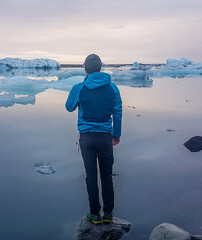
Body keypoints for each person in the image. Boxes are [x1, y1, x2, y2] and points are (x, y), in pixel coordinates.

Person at [65, 54, 122, 224]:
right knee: (106, 175)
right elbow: (117, 111)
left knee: (91, 176)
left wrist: (79, 98)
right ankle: (108, 214)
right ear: (100, 68)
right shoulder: (112, 87)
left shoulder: (79, 87)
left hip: (87, 138)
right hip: (105, 137)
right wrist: (116, 134)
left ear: (85, 69)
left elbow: (69, 107)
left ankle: (94, 214)